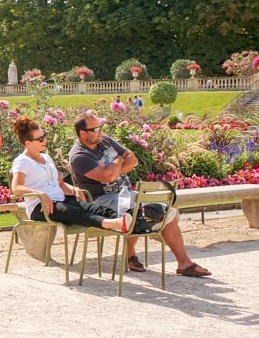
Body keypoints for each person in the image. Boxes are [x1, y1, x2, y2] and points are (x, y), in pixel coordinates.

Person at [68, 115, 211, 277]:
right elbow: (107, 177)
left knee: (166, 212)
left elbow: (133, 159)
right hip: (101, 201)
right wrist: (118, 160)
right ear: (83, 133)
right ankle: (132, 253)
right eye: (95, 129)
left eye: (101, 127)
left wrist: (113, 170)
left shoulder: (104, 140)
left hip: (125, 192)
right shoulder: (79, 155)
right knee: (137, 211)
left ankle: (184, 263)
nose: (100, 132)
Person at [10, 117, 130, 231]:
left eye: (44, 135)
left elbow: (60, 184)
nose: (45, 140)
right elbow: (16, 188)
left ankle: (131, 220)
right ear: (28, 143)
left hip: (60, 201)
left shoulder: (47, 158)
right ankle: (118, 223)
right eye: (40, 139)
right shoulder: (22, 161)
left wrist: (74, 189)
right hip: (41, 207)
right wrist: (41, 194)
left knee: (94, 208)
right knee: (77, 213)